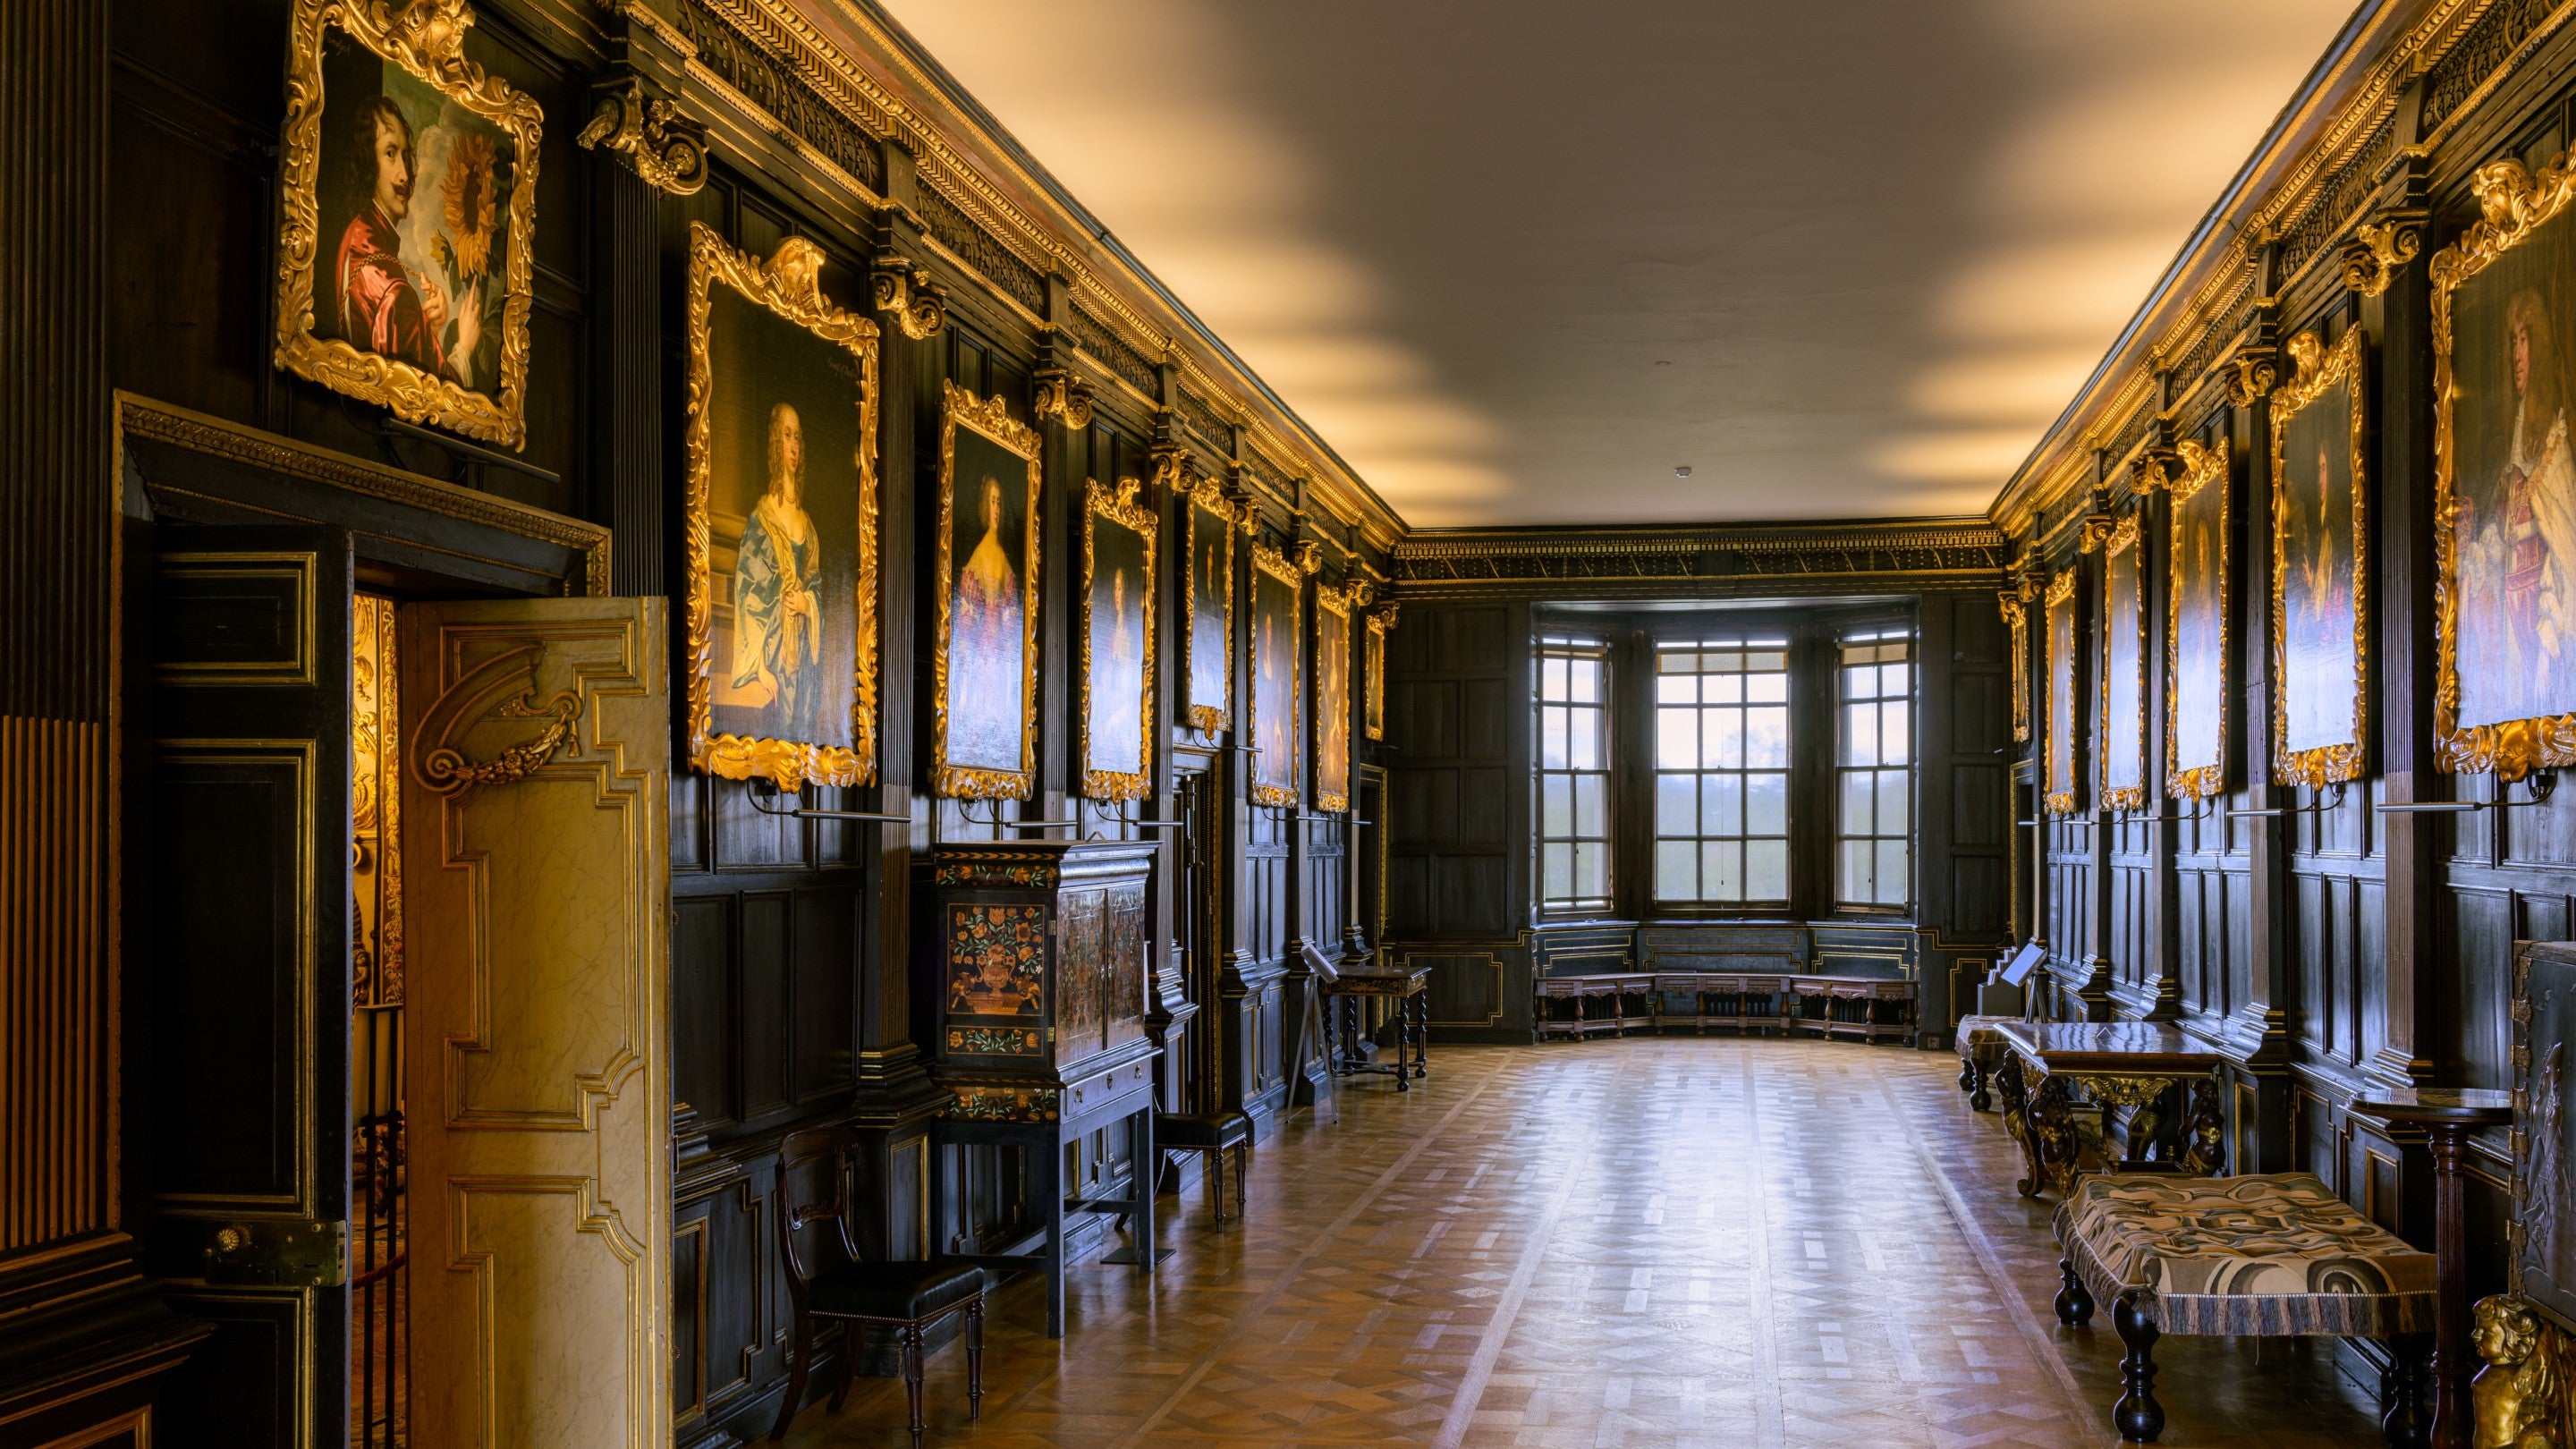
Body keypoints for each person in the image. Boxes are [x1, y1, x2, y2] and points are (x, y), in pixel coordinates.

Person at [334, 96, 476, 382]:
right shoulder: (396, 292)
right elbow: (432, 400)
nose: (404, 173)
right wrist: (464, 348)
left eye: (405, 154)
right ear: (367, 162)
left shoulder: (356, 233)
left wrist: (425, 329)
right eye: (389, 153)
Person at [729, 403, 824, 737]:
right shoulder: (762, 520)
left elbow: (818, 584)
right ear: (775, 443)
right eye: (787, 436)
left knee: (802, 734)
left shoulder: (807, 524)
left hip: (803, 656)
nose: (794, 446)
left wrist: (807, 604)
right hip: (773, 660)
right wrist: (759, 669)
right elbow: (748, 597)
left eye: (798, 437)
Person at [950, 476, 1024, 767]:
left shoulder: (1004, 558)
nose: (996, 508)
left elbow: (1013, 618)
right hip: (982, 651)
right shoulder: (979, 556)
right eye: (991, 501)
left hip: (1001, 654)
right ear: (984, 506)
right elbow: (966, 617)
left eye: (999, 502)